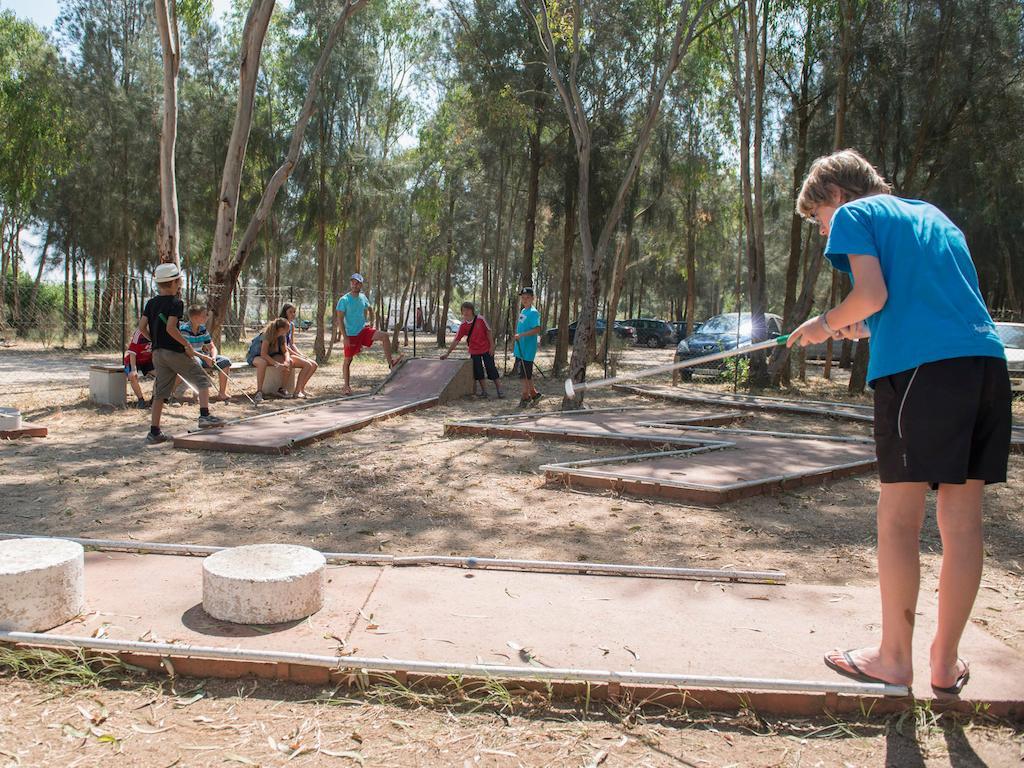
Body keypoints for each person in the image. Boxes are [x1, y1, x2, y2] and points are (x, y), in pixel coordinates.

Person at [787, 149, 1010, 696]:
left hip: (919, 376)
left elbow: (872, 293)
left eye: (819, 219)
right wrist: (858, 329)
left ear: (836, 195)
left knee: (899, 519)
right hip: (983, 367)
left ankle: (893, 658)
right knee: (963, 523)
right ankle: (944, 661)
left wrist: (822, 323)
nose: (824, 233)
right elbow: (917, 305)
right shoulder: (934, 216)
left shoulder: (856, 215)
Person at [140, 262, 224, 443]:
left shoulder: (151, 303)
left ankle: (154, 432)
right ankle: (204, 416)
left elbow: (141, 328)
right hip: (174, 351)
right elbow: (171, 328)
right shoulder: (176, 303)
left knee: (160, 392)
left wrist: (154, 340)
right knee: (202, 380)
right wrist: (185, 344)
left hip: (157, 353)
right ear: (175, 282)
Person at [333, 273, 403, 395]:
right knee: (348, 360)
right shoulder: (343, 300)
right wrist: (345, 337)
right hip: (351, 334)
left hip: (363, 331)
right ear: (351, 283)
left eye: (357, 283)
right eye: (353, 282)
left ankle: (391, 363)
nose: (355, 285)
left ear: (361, 284)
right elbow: (339, 320)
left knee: (385, 336)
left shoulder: (363, 297)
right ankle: (346, 387)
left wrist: (371, 323)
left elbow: (370, 309)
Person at [440, 301, 504, 398]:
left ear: (472, 311)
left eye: (468, 310)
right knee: (478, 371)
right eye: (464, 310)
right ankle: (484, 392)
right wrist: (447, 353)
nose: (466, 312)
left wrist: (492, 346)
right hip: (474, 350)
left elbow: (488, 332)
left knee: (491, 368)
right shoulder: (463, 325)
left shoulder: (480, 319)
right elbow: (456, 340)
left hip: (486, 348)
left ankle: (500, 390)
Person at [180, 305, 233, 401]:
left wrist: (213, 357)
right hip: (190, 356)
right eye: (204, 315)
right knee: (196, 362)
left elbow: (212, 346)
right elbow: (188, 350)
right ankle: (198, 394)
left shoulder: (202, 329)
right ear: (195, 318)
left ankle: (222, 393)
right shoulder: (184, 329)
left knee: (225, 361)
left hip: (203, 356)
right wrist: (205, 358)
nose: (207, 317)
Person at [247, 317, 292, 405]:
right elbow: (263, 354)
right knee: (262, 363)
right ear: (281, 329)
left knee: (290, 361)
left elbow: (285, 351)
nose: (288, 330)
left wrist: (287, 360)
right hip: (256, 356)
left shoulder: (281, 336)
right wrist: (276, 364)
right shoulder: (266, 335)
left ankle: (282, 389)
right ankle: (259, 392)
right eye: (287, 328)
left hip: (270, 355)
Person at [280, 303, 318, 399]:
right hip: (283, 353)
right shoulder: (281, 324)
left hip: (290, 352)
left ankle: (301, 389)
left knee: (314, 364)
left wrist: (301, 354)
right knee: (307, 364)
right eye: (290, 312)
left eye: (294, 312)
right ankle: (296, 392)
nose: (293, 314)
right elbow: (284, 346)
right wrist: (297, 355)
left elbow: (292, 344)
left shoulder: (292, 325)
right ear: (285, 312)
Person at [512, 287, 542, 407]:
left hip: (528, 348)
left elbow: (537, 329)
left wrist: (522, 335)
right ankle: (534, 394)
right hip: (520, 347)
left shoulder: (533, 312)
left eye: (527, 297)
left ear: (532, 298)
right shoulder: (523, 311)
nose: (525, 300)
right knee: (524, 374)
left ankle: (525, 396)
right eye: (523, 298)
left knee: (525, 374)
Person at [123, 326, 153, 409]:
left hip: (147, 360)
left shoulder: (158, 332)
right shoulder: (139, 332)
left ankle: (155, 399)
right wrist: (133, 369)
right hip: (133, 360)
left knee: (161, 375)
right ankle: (141, 400)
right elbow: (132, 352)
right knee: (133, 376)